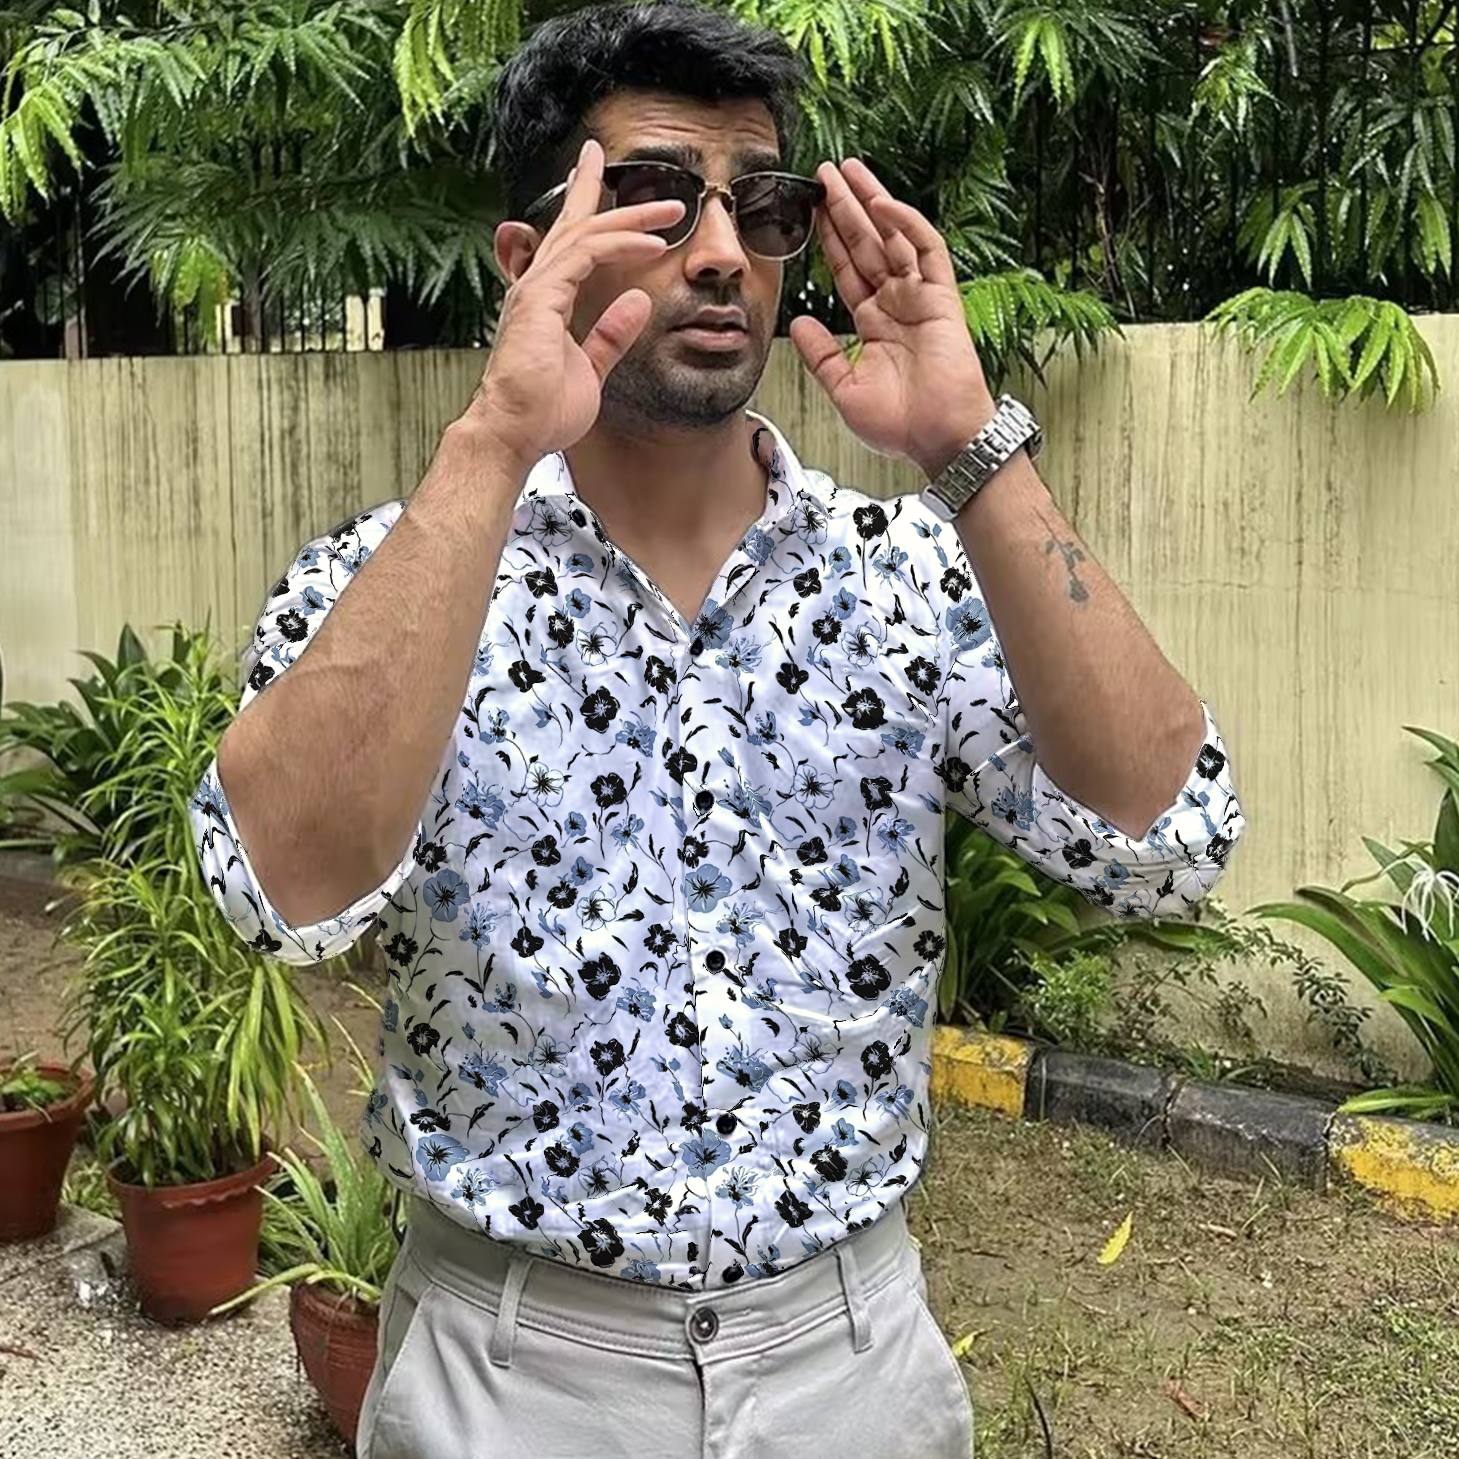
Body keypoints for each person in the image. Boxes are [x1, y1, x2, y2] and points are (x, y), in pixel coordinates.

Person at [190, 3, 1245, 1455]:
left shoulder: (908, 578)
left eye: (759, 207)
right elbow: (278, 890)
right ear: (526, 259)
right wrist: (497, 439)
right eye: (647, 199)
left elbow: (1168, 833)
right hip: (511, 1370)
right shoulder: (400, 581)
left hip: (846, 1363)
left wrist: (966, 444)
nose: (714, 251)